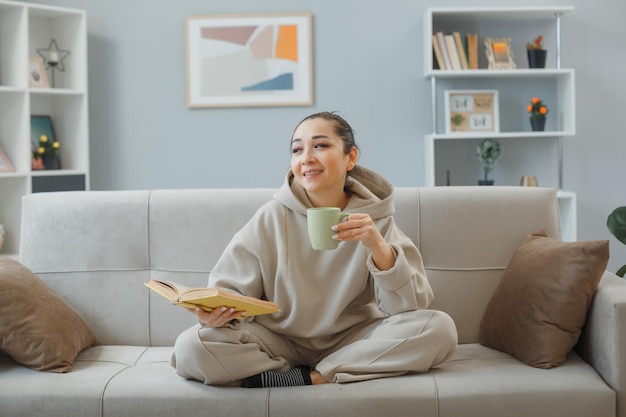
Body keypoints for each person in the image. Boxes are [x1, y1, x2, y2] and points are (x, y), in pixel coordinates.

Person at [171, 111, 458, 387]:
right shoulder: (271, 216)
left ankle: (313, 377)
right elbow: (228, 289)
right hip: (277, 341)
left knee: (440, 328)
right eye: (297, 150)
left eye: (320, 145)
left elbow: (410, 308)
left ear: (351, 157)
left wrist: (377, 246)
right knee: (191, 346)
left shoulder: (375, 220)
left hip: (351, 340)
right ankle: (309, 372)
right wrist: (211, 314)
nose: (306, 158)